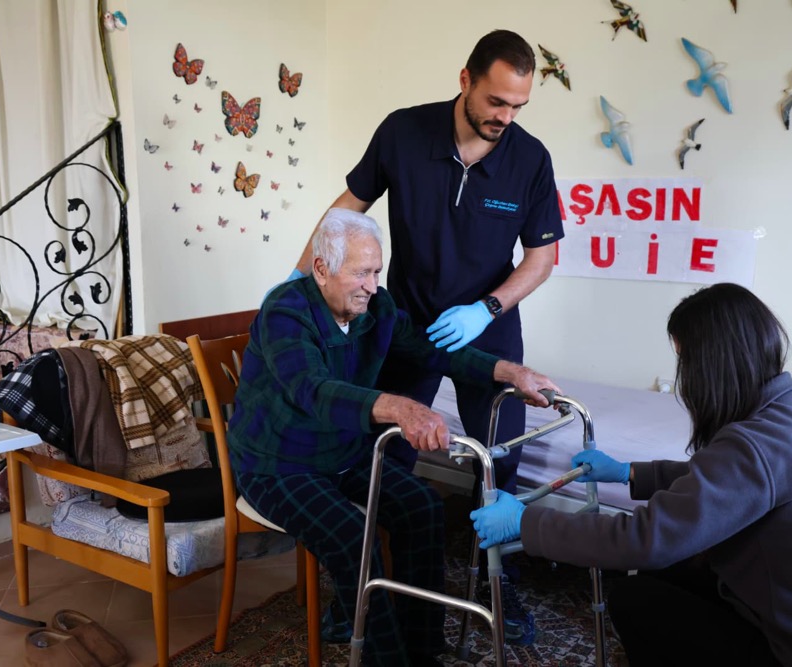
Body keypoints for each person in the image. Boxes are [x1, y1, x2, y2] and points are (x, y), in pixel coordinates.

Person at [282, 28, 563, 645]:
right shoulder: (404, 133)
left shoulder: (530, 159)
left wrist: (486, 308)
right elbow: (344, 213)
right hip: (404, 327)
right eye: (496, 102)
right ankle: (362, 581)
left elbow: (542, 259)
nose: (505, 118)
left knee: (501, 463)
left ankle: (500, 580)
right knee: (383, 457)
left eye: (518, 106)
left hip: (485, 331)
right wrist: (298, 287)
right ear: (465, 81)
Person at [469, 283, 792, 666]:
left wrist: (526, 522)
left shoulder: (754, 446)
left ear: (711, 363)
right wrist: (629, 473)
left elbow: (643, 540)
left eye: (684, 361)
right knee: (673, 571)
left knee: (633, 596)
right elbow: (727, 484)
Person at [230, 209, 560, 667]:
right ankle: (386, 659)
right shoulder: (285, 311)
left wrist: (511, 372)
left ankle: (422, 648)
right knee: (351, 536)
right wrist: (399, 407)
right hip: (278, 464)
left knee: (423, 508)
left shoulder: (376, 308)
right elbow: (312, 390)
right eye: (361, 272)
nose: (371, 284)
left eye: (377, 272)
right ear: (322, 268)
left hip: (342, 453)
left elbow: (431, 351)